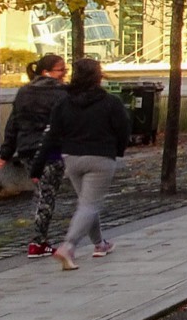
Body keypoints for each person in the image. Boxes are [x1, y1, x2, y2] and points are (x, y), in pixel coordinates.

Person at [29, 58, 130, 271]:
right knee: (89, 205)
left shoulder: (63, 103)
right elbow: (123, 129)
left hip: (71, 158)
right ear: (97, 76)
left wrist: (37, 166)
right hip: (101, 158)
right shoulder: (111, 102)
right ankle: (68, 245)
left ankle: (100, 244)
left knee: (87, 203)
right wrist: (117, 151)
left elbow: (51, 135)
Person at [0, 54, 68, 257]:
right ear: (47, 72)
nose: (64, 74)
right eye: (61, 70)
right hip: (50, 148)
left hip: (26, 149)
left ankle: (40, 241)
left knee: (43, 192)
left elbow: (13, 123)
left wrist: (6, 153)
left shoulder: (24, 92)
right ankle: (38, 242)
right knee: (47, 194)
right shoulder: (61, 93)